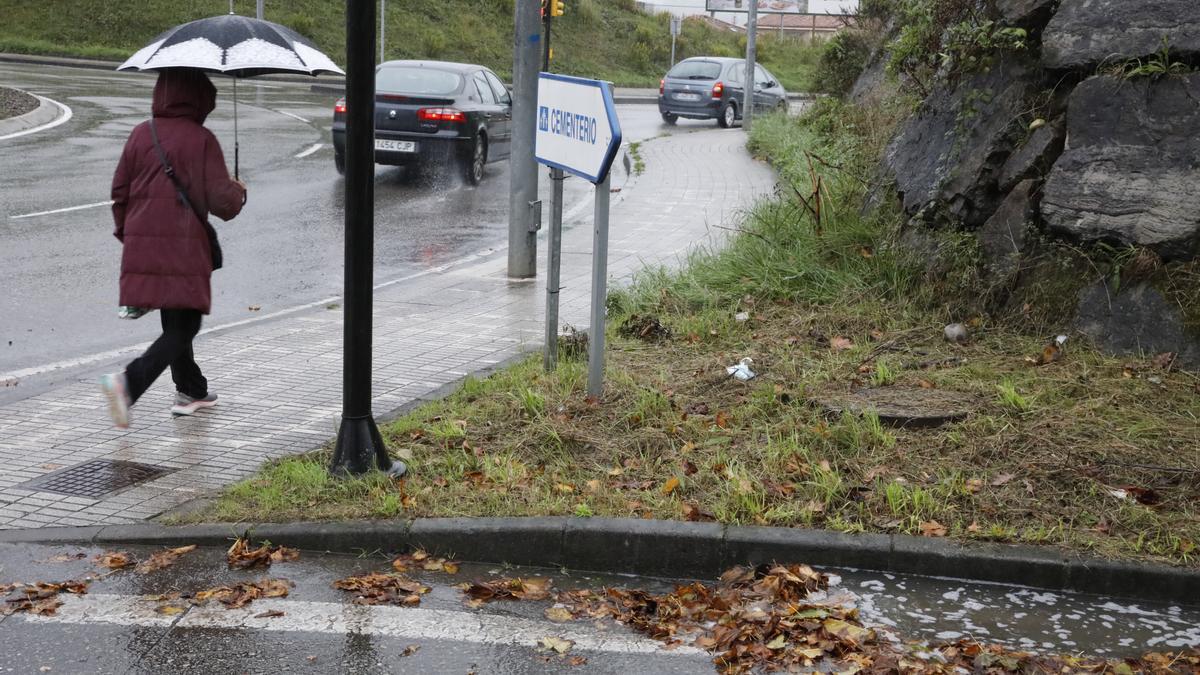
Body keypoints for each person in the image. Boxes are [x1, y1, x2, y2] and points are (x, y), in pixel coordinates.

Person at [100, 68, 246, 429]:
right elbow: (222, 203)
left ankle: (191, 390)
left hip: (141, 240)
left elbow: (119, 193)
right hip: (183, 244)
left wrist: (129, 235)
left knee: (176, 317)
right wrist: (239, 190)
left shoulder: (140, 134)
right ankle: (128, 384)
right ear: (200, 98)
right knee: (186, 321)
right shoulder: (201, 139)